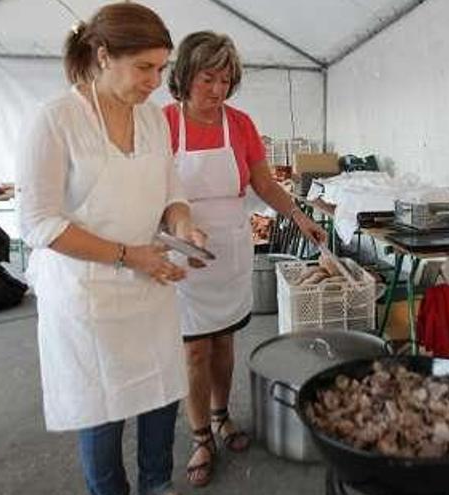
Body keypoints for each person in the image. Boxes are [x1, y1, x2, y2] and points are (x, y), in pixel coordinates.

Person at [17, 4, 205, 495]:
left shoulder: (153, 120)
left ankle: (157, 485)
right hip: (87, 298)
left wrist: (183, 225)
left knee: (160, 396)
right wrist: (128, 255)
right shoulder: (55, 120)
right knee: (102, 410)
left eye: (161, 69)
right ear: (102, 56)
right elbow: (38, 223)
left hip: (150, 286)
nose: (155, 81)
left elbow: (171, 190)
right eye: (145, 67)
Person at [163, 31, 326, 487]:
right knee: (194, 347)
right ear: (184, 76)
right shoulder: (162, 124)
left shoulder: (242, 125)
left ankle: (221, 415)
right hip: (185, 247)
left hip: (231, 246)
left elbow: (265, 185)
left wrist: (299, 215)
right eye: (207, 78)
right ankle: (200, 436)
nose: (217, 90)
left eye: (226, 80)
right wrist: (176, 231)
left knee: (224, 342)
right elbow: (151, 191)